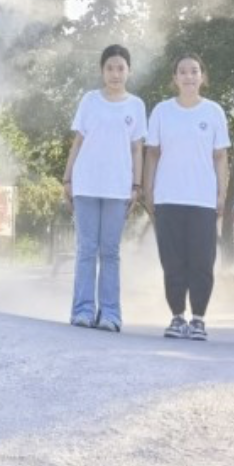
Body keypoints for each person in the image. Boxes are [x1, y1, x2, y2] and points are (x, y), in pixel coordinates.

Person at [144, 54, 231, 341]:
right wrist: (148, 190)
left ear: (202, 76)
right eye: (182, 72)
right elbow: (152, 154)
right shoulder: (162, 111)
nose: (189, 76)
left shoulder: (214, 112)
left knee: (202, 261)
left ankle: (199, 319)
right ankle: (177, 316)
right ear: (175, 78)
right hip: (168, 197)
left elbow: (220, 156)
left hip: (202, 199)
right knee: (172, 261)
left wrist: (221, 194)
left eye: (194, 71)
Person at [61, 44, 147, 332]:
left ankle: (110, 314)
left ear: (128, 71)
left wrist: (136, 185)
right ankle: (82, 311)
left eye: (120, 68)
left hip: (118, 187)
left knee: (110, 251)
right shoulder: (90, 100)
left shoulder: (136, 105)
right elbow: (78, 142)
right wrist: (67, 180)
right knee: (86, 249)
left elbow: (137, 149)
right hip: (86, 183)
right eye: (110, 68)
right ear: (102, 71)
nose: (115, 73)